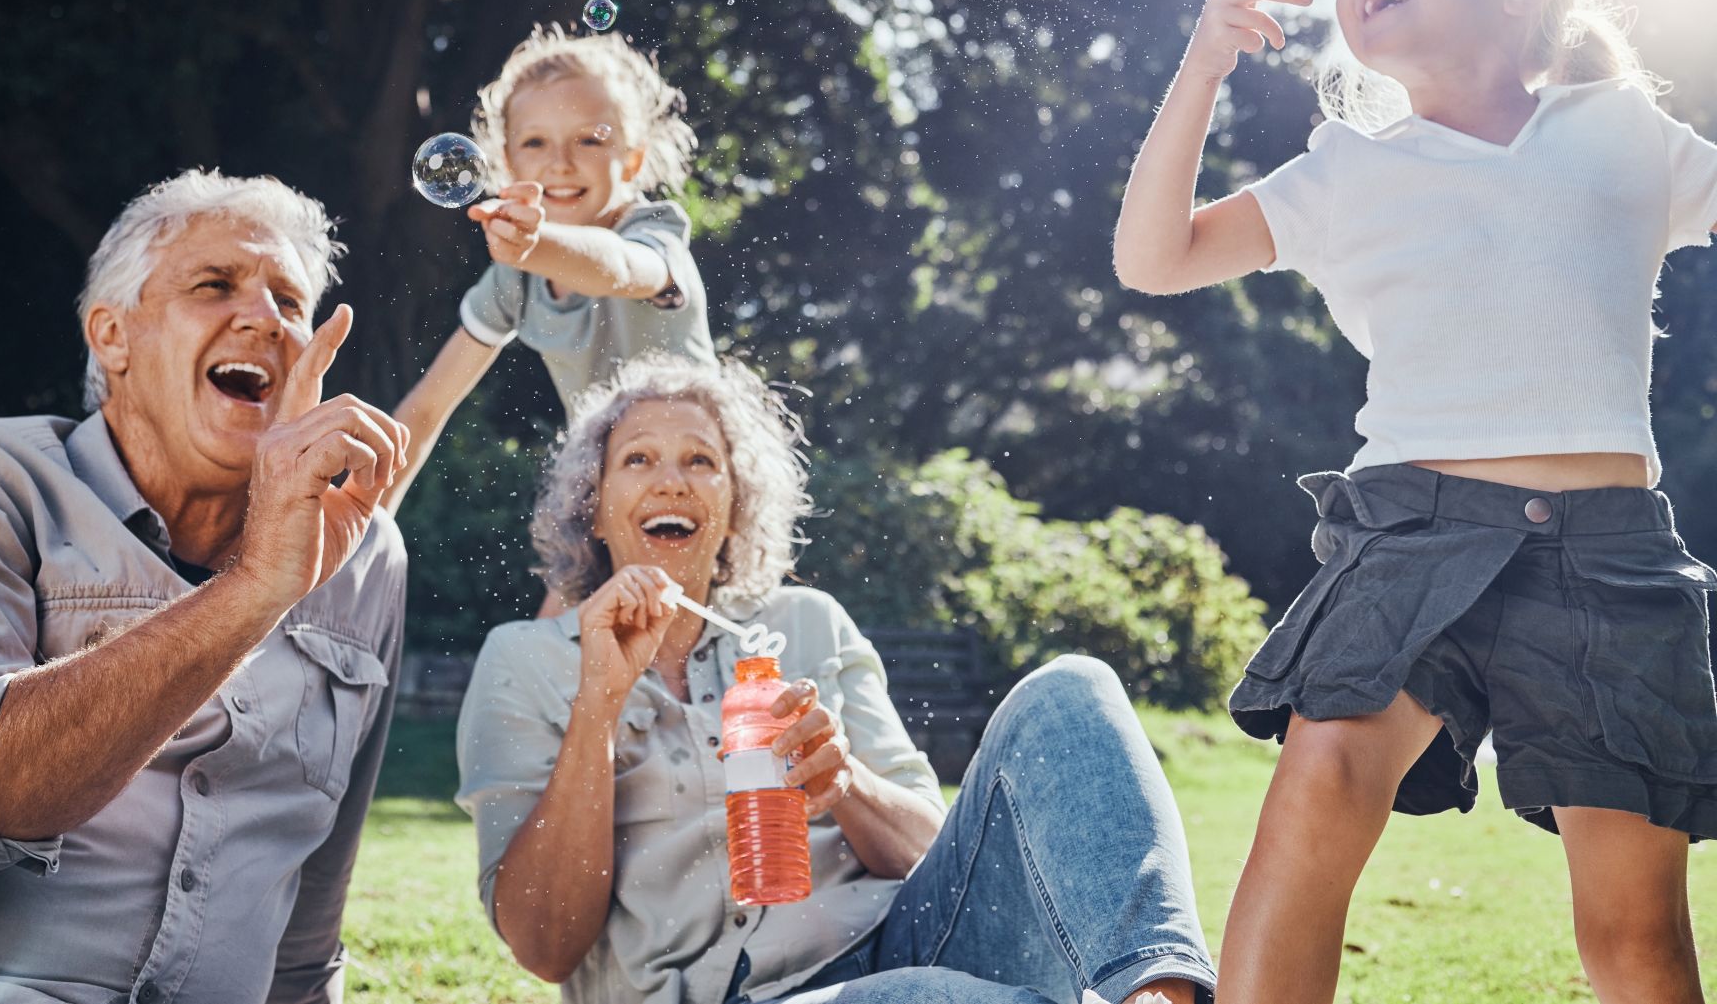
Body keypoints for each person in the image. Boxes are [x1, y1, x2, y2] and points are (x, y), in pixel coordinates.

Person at [1114, 0, 1717, 1003]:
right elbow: (1156, 258)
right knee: (1323, 780)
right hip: (1413, 528)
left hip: (1610, 560)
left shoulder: (1625, 135)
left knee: (1635, 936)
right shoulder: (1349, 170)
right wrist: (1201, 67)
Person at [0, 169, 412, 1003]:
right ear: (112, 335)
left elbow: (307, 901)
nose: (264, 320)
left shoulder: (365, 552)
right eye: (214, 284)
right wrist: (254, 589)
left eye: (290, 302)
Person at [454, 354, 1216, 1004]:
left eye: (701, 460)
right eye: (638, 459)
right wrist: (598, 706)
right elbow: (545, 945)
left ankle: (1159, 990)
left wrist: (845, 781)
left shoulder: (808, 623)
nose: (673, 481)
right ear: (595, 508)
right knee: (932, 999)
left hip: (900, 944)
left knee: (1072, 690)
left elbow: (933, 852)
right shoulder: (525, 659)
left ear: (734, 506)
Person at [384, 23, 714, 518]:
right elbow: (427, 408)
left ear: (632, 159)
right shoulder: (516, 277)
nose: (560, 163)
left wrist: (539, 244)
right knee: (571, 593)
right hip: (610, 489)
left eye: (588, 141)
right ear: (506, 163)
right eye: (535, 143)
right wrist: (362, 522)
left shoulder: (654, 232)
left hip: (699, 477)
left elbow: (620, 267)